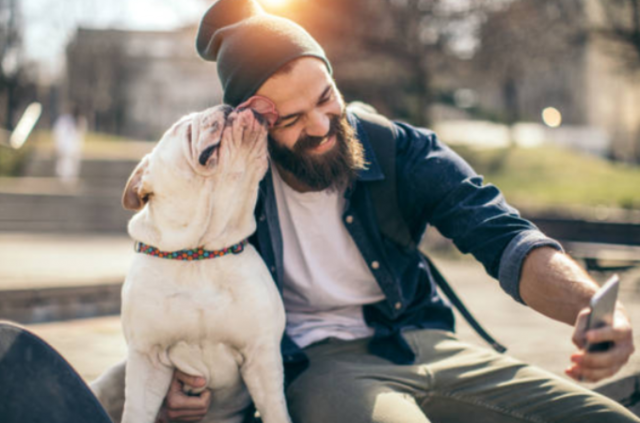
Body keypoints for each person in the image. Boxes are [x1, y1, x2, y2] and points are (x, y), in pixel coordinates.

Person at [92, 0, 638, 422]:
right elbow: (176, 298)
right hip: (319, 366)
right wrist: (180, 390)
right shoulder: (231, 190)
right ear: (253, 123)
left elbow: (502, 235)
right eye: (291, 119)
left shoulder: (397, 148)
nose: (322, 125)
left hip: (423, 340)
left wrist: (592, 307)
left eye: (326, 97)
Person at [52, 105, 86, 186]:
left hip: (75, 147)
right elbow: (58, 133)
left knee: (73, 165)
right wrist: (59, 145)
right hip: (65, 146)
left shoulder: (80, 121)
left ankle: (71, 181)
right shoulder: (64, 120)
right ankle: (64, 181)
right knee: (64, 165)